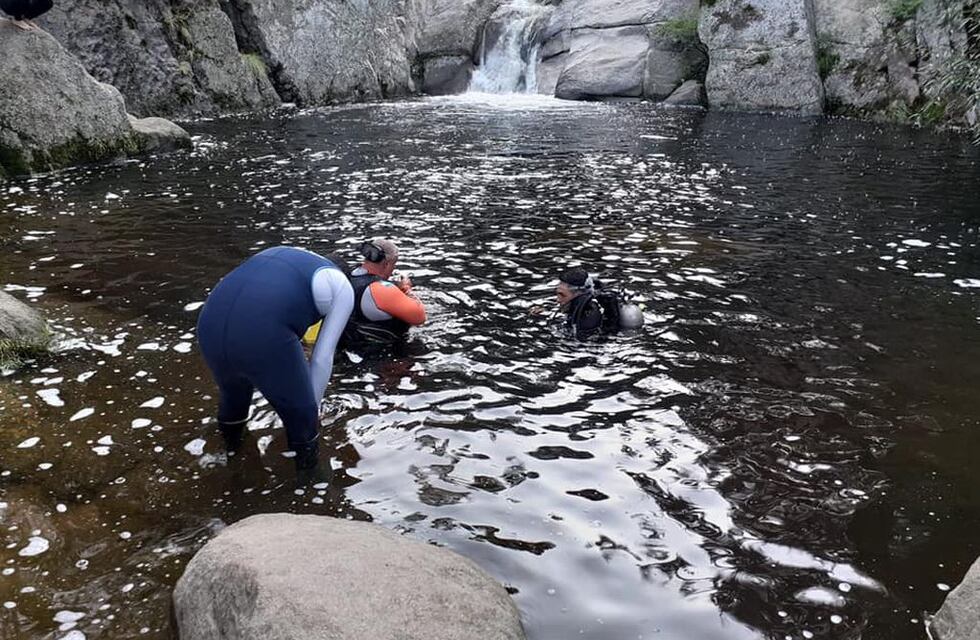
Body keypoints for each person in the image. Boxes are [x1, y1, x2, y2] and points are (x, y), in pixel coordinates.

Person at [196, 246, 354, 478]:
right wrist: (313, 411)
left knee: (234, 396)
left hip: (209, 322)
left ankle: (229, 462)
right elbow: (322, 358)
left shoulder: (283, 252)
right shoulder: (343, 286)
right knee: (302, 418)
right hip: (262, 332)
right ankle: (309, 489)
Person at [341, 238, 426, 347]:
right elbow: (419, 317)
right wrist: (406, 288)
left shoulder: (348, 275)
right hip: (381, 354)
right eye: (393, 265)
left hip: (349, 344)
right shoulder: (380, 289)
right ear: (387, 264)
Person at [555, 267, 644, 340]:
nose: (557, 300)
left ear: (579, 295)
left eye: (562, 295)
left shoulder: (588, 320)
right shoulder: (586, 309)